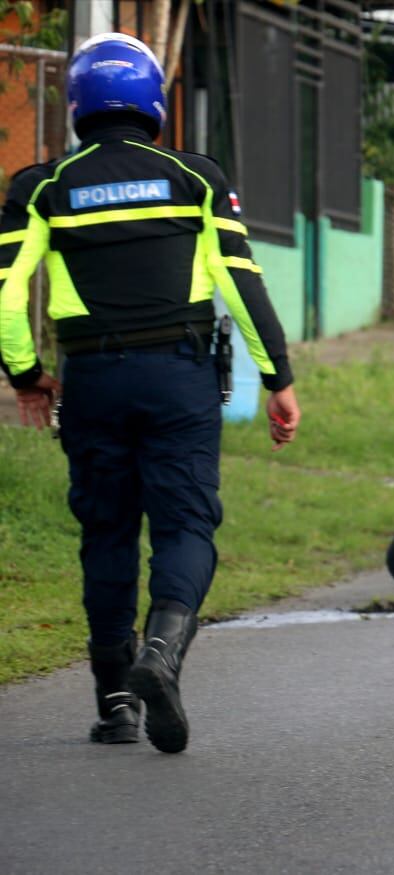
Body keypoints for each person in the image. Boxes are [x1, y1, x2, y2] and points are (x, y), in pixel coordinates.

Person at [0, 34, 300, 753]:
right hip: (180, 376)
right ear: (152, 100)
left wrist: (25, 375)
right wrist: (278, 377)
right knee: (185, 527)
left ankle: (116, 707)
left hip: (93, 380)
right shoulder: (194, 177)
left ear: (76, 104)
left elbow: (6, 294)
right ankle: (160, 654)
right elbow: (240, 280)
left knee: (106, 533)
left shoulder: (41, 186)